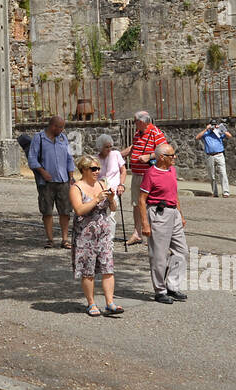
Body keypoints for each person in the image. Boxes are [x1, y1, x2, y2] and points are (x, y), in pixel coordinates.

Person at [69, 154, 122, 317]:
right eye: (93, 168)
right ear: (83, 170)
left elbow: (112, 209)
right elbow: (79, 210)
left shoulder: (102, 184)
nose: (97, 171)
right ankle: (91, 303)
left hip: (103, 233)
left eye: (98, 168)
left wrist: (112, 199)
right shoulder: (76, 188)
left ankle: (110, 302)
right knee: (88, 270)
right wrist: (96, 199)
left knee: (108, 268)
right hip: (85, 235)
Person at [138, 143, 189, 304]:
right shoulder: (151, 174)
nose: (175, 157)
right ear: (161, 157)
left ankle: (172, 286)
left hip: (173, 212)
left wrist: (180, 214)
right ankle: (160, 290)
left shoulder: (172, 171)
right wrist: (145, 224)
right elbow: (141, 200)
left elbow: (174, 194)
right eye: (171, 155)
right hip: (158, 214)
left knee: (182, 251)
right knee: (159, 255)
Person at [28, 115, 76, 249]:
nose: (62, 130)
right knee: (47, 211)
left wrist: (71, 177)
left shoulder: (63, 138)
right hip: (46, 183)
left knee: (65, 211)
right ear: (53, 126)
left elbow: (69, 159)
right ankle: (50, 239)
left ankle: (65, 240)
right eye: (60, 127)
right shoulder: (39, 138)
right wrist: (43, 172)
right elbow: (32, 159)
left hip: (63, 180)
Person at [126, 111, 168, 245]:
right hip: (137, 174)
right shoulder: (138, 134)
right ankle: (137, 233)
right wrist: (119, 154)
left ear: (142, 121)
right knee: (136, 204)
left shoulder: (156, 133)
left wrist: (148, 157)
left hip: (149, 175)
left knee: (150, 204)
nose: (134, 124)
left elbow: (165, 152)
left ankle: (152, 233)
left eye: (135, 121)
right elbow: (134, 148)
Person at [197, 120, 232, 198]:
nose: (213, 126)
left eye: (214, 125)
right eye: (212, 125)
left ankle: (226, 192)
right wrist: (206, 129)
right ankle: (215, 192)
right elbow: (197, 137)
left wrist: (221, 129)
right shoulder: (206, 133)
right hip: (210, 155)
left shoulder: (219, 132)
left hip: (219, 154)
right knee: (212, 175)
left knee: (223, 173)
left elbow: (229, 136)